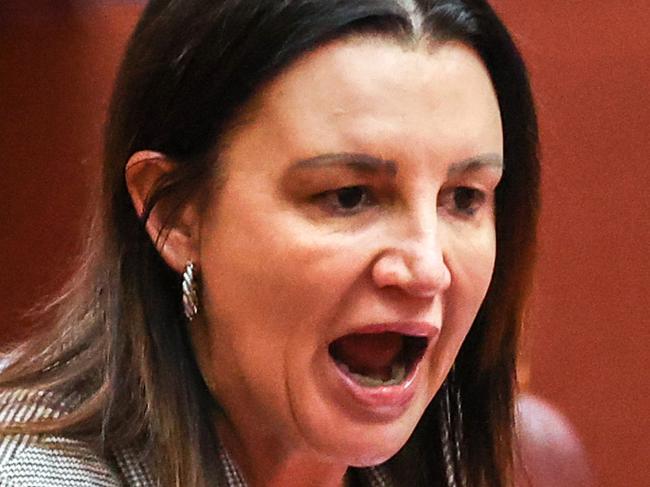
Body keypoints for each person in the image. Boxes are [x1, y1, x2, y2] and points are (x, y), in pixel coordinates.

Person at [0, 0, 540, 486]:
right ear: (176, 214)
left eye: (464, 198)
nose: (427, 268)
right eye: (349, 196)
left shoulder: (447, 461)